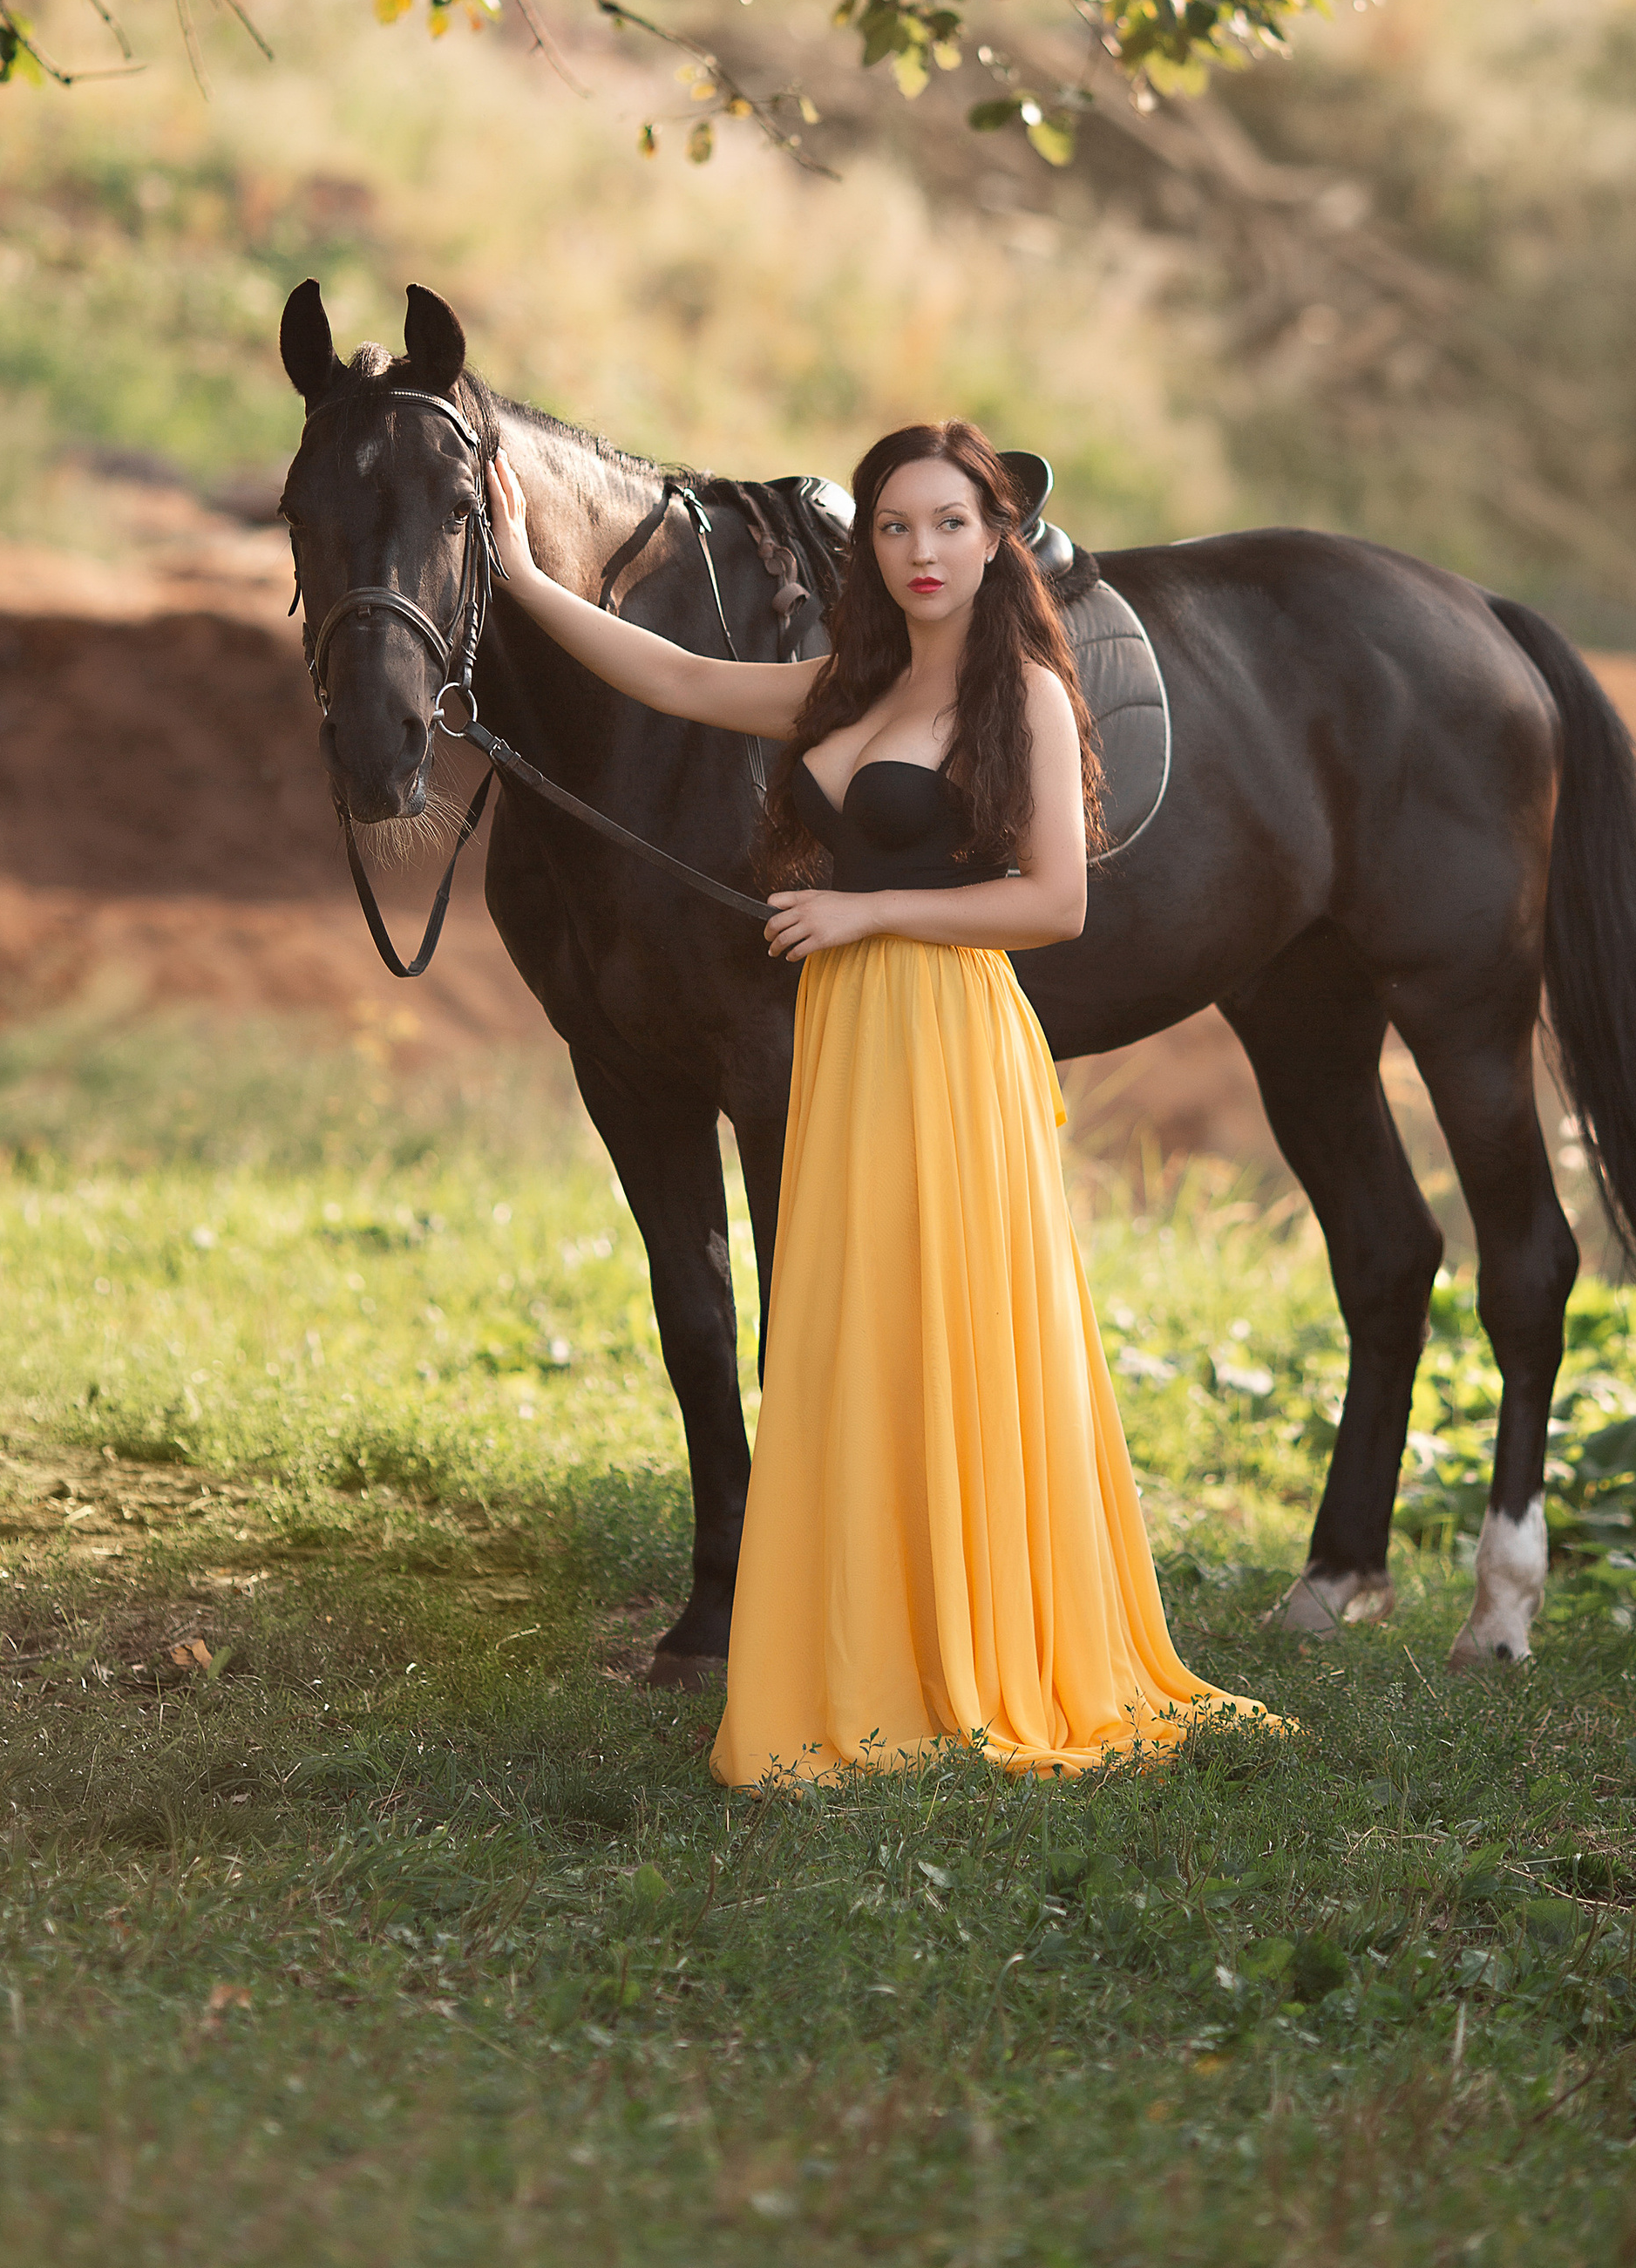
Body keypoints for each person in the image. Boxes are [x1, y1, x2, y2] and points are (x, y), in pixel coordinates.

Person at [485, 418, 1279, 1781]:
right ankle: (856, 1649)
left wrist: (866, 915)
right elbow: (672, 675)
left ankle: (973, 1651)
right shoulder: (840, 692)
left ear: (994, 542)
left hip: (944, 1035)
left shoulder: (1018, 693)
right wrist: (516, 570)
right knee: (847, 1331)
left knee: (951, 1331)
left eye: (951, 525)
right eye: (897, 527)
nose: (923, 551)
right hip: (848, 1041)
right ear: (870, 545)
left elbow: (1052, 902)